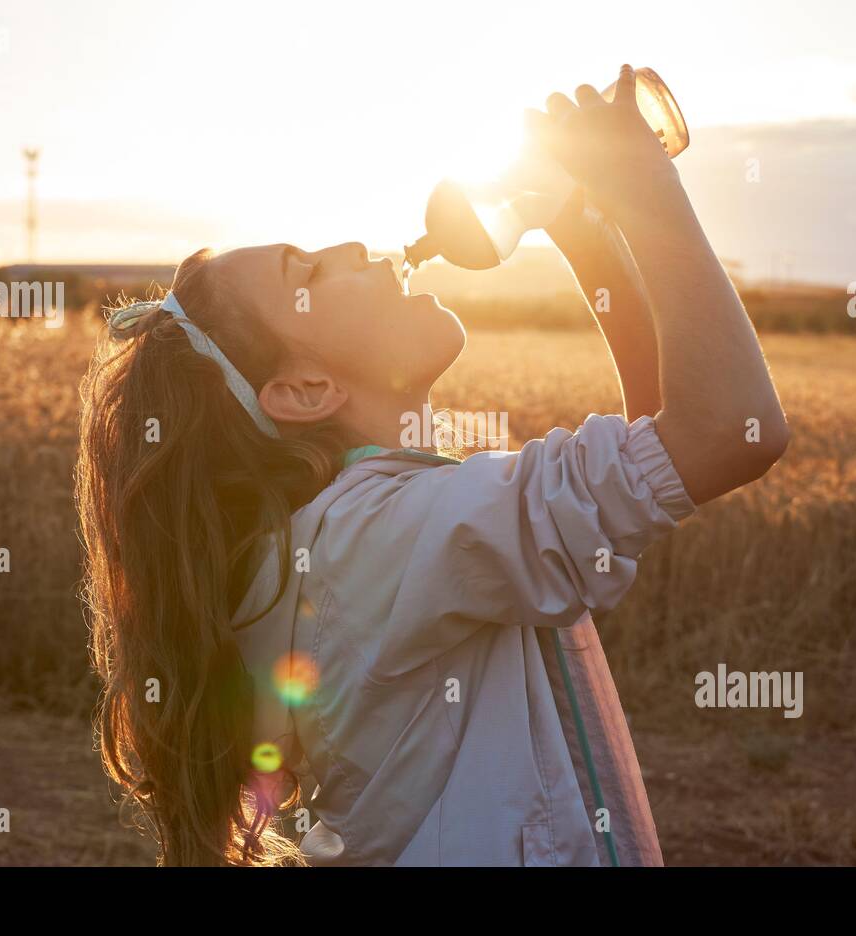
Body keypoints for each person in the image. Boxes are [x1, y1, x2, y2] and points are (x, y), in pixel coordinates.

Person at [75, 65, 788, 866]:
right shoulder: (372, 538)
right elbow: (732, 429)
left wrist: (585, 233)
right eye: (308, 271)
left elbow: (660, 440)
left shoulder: (361, 528)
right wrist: (644, 186)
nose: (349, 245)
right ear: (306, 389)